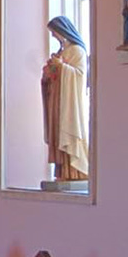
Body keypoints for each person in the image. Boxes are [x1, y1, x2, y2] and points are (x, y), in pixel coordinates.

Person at [41, 16, 90, 182]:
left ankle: (75, 172)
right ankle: (62, 172)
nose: (54, 36)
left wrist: (60, 66)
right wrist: (47, 74)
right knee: (57, 133)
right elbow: (53, 75)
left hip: (69, 102)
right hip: (56, 99)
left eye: (55, 33)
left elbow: (79, 75)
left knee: (68, 132)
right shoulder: (62, 52)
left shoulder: (77, 51)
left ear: (63, 31)